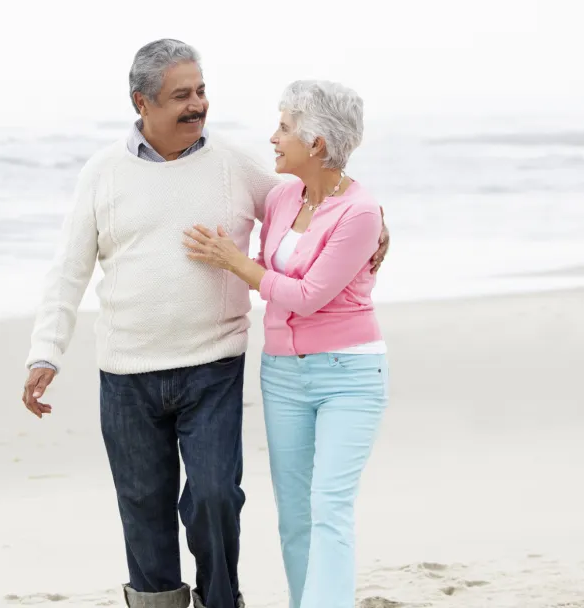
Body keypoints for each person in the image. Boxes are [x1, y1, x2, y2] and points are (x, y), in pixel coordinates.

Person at [21, 39, 389, 608]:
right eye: (181, 96)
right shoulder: (103, 173)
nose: (198, 105)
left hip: (212, 366)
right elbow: (68, 271)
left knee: (216, 497)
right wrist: (45, 353)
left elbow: (317, 201)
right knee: (143, 506)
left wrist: (379, 223)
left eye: (201, 91)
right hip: (127, 371)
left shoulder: (236, 166)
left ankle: (223, 600)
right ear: (142, 102)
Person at [182, 79, 389, 608]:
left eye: (284, 128)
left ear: (316, 143)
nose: (273, 138)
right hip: (283, 374)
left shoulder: (360, 213)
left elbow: (307, 296)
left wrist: (237, 263)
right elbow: (218, 183)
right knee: (296, 514)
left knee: (329, 506)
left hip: (349, 376)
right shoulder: (280, 197)